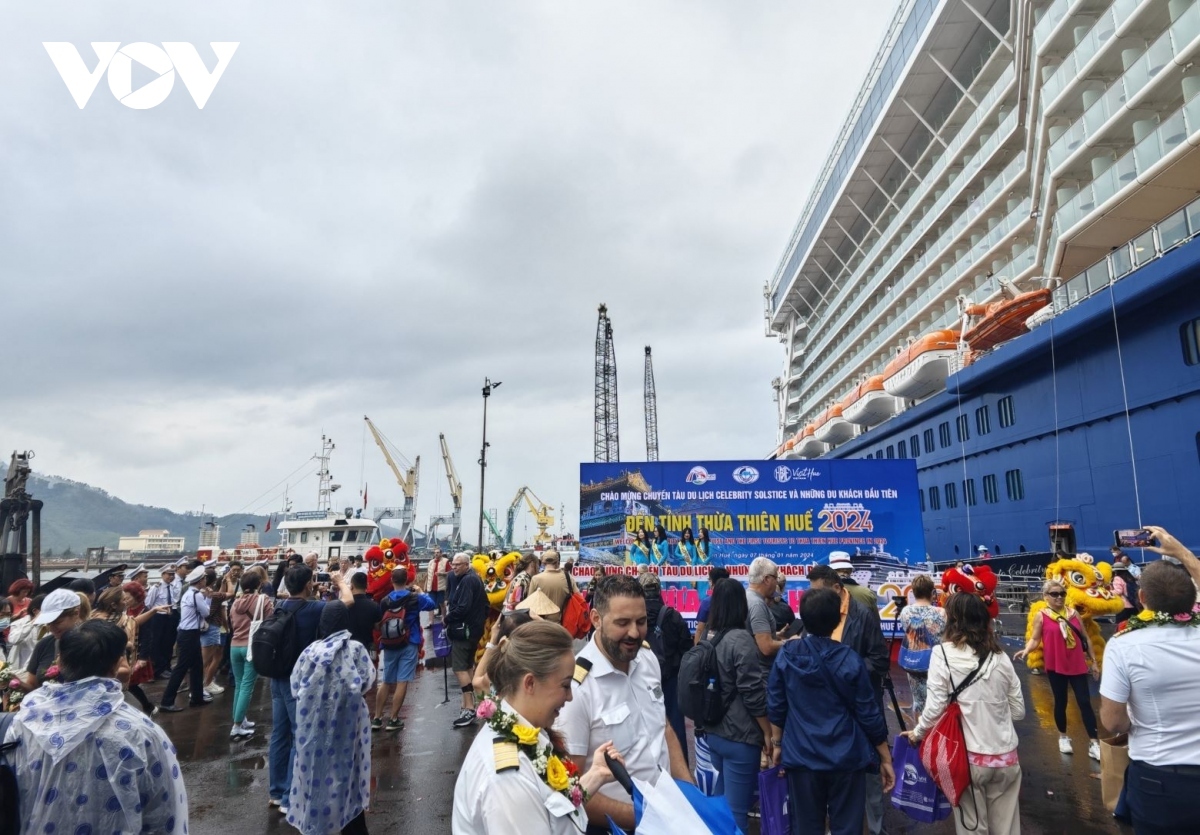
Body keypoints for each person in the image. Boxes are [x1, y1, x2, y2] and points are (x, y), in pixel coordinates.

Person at [3, 619, 188, 834]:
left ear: (59, 661)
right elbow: (163, 813)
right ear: (117, 665)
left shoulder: (22, 725)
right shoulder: (140, 732)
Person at [452, 621, 626, 835]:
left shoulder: (525, 731)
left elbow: (553, 808)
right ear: (530, 683)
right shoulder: (509, 779)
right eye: (565, 685)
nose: (570, 697)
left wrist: (595, 775)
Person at [555, 574, 693, 834]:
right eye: (622, 623)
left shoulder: (647, 658)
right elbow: (571, 788)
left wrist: (689, 793)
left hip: (668, 817)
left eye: (641, 621)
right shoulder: (576, 689)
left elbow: (662, 729)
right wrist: (644, 816)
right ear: (596, 619)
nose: (634, 632)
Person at [768, 588, 895, 835]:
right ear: (837, 620)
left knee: (805, 827)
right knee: (847, 827)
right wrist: (885, 757)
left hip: (802, 754)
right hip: (845, 757)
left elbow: (776, 703)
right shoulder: (849, 658)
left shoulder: (788, 654)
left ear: (803, 618)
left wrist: (777, 743)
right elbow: (868, 713)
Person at [903, 594, 1024, 835]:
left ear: (953, 620)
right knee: (1007, 828)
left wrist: (918, 732)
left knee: (972, 827)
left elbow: (935, 706)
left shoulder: (942, 654)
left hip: (967, 760)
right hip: (1007, 757)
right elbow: (1019, 711)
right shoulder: (1000, 656)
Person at [1100, 553, 1200, 835]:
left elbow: (1113, 722)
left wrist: (1138, 719)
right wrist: (1179, 551)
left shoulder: (1124, 645)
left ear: (1142, 597)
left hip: (1159, 778)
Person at [805, 564, 889, 835]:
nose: (814, 598)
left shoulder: (862, 614)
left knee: (871, 771)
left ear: (837, 588)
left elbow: (880, 660)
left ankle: (876, 829)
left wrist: (846, 670)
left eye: (819, 592)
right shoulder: (815, 614)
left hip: (859, 703)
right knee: (836, 775)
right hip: (827, 710)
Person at [268, 564, 355, 814]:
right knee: (300, 735)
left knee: (279, 734)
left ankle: (276, 791)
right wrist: (340, 581)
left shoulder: (279, 605)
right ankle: (289, 797)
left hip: (277, 677)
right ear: (308, 584)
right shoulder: (315, 608)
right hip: (300, 680)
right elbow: (347, 601)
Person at [287, 600, 375, 835]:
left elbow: (295, 686)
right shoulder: (355, 649)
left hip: (312, 731)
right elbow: (367, 680)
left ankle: (317, 825)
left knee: (315, 777)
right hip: (348, 729)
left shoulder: (309, 652)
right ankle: (351, 826)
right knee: (348, 778)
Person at [702, 578, 772, 831]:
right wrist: (768, 732)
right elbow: (752, 692)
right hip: (740, 735)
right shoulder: (741, 639)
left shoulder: (708, 636)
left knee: (721, 804)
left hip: (714, 730)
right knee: (737, 812)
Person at [1014, 578, 1100, 759]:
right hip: (1056, 665)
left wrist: (1094, 661)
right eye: (1054, 594)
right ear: (1046, 596)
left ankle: (1094, 743)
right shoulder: (1041, 616)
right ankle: (1063, 737)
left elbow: (1085, 638)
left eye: (1062, 594)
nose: (1059, 597)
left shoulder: (1074, 614)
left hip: (1077, 664)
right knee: (1061, 702)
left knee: (1084, 702)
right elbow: (1035, 639)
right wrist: (1027, 650)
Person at [637, 572, 692, 765]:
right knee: (675, 725)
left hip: (642, 677)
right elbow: (686, 648)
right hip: (671, 679)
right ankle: (681, 768)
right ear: (659, 590)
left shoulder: (637, 618)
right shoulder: (673, 615)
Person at [374, 567, 437, 731]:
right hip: (410, 640)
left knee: (386, 680)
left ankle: (377, 718)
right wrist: (421, 591)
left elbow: (380, 620)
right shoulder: (414, 598)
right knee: (402, 681)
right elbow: (432, 604)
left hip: (389, 642)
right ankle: (393, 719)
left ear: (392, 580)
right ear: (407, 580)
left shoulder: (385, 600)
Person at [91, 585, 165, 714]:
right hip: (106, 673)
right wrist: (125, 644)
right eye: (123, 600)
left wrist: (153, 611)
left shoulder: (119, 618)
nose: (126, 602)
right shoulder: (98, 622)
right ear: (114, 605)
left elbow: (133, 622)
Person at [160, 565, 215, 712]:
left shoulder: (189, 593)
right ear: (200, 581)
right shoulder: (196, 595)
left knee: (197, 666)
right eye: (204, 579)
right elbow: (206, 613)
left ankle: (197, 697)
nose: (205, 581)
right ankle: (167, 701)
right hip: (189, 634)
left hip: (188, 633)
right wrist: (208, 599)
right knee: (181, 667)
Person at [445, 551, 489, 729]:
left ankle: (469, 708)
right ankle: (471, 703)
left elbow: (462, 607)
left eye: (457, 565)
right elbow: (485, 605)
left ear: (466, 565)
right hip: (473, 630)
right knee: (468, 666)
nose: (454, 567)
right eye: (453, 564)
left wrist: (447, 618)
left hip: (465, 631)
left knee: (459, 669)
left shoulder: (467, 581)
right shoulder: (474, 578)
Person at [229, 570, 274, 739]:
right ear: (259, 584)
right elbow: (271, 620)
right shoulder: (263, 600)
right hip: (251, 646)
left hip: (234, 646)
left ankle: (240, 718)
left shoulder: (235, 602)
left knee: (239, 685)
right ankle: (236, 726)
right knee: (247, 686)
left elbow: (232, 623)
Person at [897, 574, 946, 719]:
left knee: (918, 701)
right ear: (932, 592)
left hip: (914, 661)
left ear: (913, 592)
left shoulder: (905, 612)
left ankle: (919, 731)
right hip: (935, 663)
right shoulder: (941, 613)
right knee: (938, 701)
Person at [17, 588, 84, 690]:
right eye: (48, 623)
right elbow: (33, 686)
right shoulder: (44, 645)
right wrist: (15, 682)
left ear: (76, 613)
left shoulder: (92, 643)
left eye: (57, 622)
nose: (52, 628)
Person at [472, 608, 535, 693]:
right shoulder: (543, 666)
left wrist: (493, 640)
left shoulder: (499, 672)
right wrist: (543, 624)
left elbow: (477, 683)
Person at [145, 564, 182, 677]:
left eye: (172, 574)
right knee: (157, 643)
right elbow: (148, 604)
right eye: (168, 574)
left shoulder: (172, 587)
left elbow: (174, 601)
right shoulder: (156, 587)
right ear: (162, 574)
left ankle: (166, 666)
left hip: (169, 617)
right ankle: (158, 669)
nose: (171, 577)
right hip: (158, 617)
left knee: (168, 643)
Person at [746, 556, 784, 667]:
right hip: (761, 671)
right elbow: (766, 647)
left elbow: (753, 635)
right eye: (776, 578)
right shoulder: (757, 604)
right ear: (767, 579)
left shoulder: (746, 596)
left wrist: (775, 634)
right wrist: (790, 642)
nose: (776, 583)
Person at [527, 549, 573, 625]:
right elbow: (578, 597)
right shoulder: (568, 577)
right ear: (557, 562)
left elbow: (530, 606)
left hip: (541, 625)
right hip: (564, 625)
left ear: (543, 563)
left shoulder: (536, 579)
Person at [346, 569, 382, 655]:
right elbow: (378, 627)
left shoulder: (345, 605)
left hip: (348, 648)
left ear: (351, 586)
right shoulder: (374, 605)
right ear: (367, 585)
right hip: (366, 648)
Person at [693, 566, 731, 645]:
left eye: (709, 580)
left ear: (713, 582)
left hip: (712, 644)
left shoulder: (707, 602)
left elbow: (699, 630)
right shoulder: (735, 600)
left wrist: (697, 649)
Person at [6, 592, 42, 672]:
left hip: (40, 668)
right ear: (35, 611)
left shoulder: (50, 625)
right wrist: (32, 623)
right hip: (19, 669)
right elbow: (13, 640)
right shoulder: (18, 623)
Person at [425, 549, 451, 617]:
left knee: (442, 603)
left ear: (441, 553)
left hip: (441, 587)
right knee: (430, 604)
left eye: (438, 552)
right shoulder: (431, 562)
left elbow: (450, 573)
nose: (436, 554)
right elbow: (428, 575)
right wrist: (426, 586)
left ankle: (444, 618)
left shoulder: (446, 561)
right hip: (431, 587)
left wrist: (442, 573)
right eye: (435, 552)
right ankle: (430, 621)